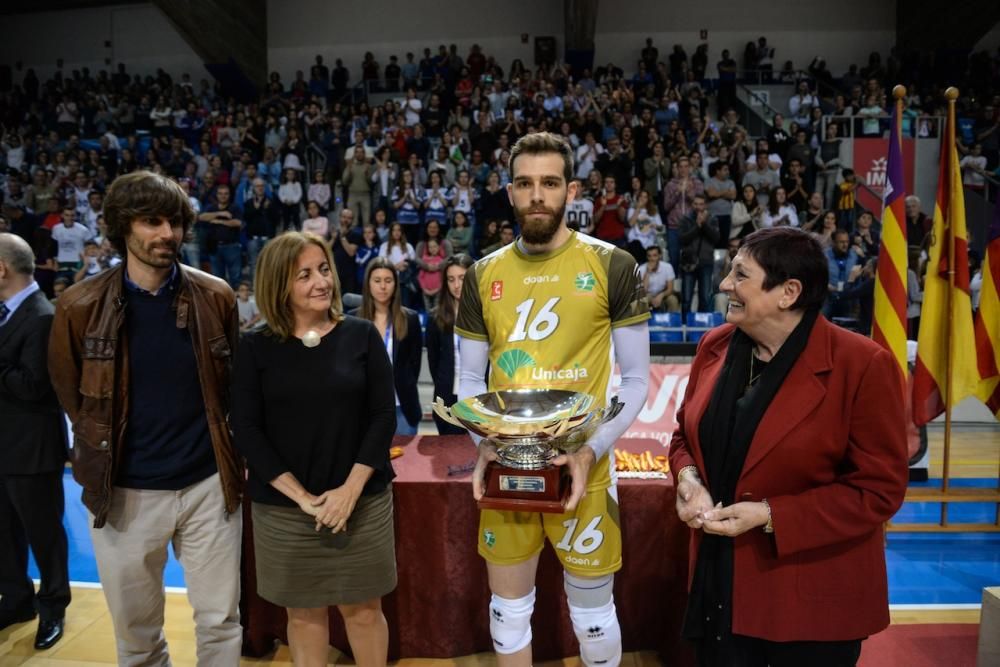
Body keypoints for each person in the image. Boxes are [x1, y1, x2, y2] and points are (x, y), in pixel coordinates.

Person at [669, 226, 908, 666]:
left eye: (741, 275)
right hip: (717, 590)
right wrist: (688, 480)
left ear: (788, 292)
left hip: (807, 606)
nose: (725, 285)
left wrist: (771, 516)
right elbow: (683, 436)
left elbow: (879, 490)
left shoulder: (862, 365)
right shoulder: (714, 346)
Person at [455, 132, 651, 667]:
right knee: (508, 612)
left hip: (586, 467)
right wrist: (486, 443)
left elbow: (635, 380)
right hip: (508, 467)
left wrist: (593, 449)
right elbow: (468, 384)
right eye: (524, 183)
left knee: (592, 618)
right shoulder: (481, 274)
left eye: (549, 182)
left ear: (572, 189)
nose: (536, 195)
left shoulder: (614, 265)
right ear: (509, 191)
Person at [47, 171, 243, 665]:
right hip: (124, 494)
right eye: (151, 221)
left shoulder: (215, 295)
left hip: (208, 488)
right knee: (137, 637)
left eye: (174, 221)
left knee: (221, 624)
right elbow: (75, 399)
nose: (167, 233)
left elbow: (232, 389)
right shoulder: (78, 305)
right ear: (121, 228)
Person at [230, 232, 397, 667]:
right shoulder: (255, 347)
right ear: (277, 285)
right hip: (285, 511)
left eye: (323, 269)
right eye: (304, 275)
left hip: (361, 502)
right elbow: (246, 430)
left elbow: (383, 418)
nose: (321, 281)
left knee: (363, 612)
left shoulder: (361, 335)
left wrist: (348, 491)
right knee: (303, 616)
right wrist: (303, 498)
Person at [0, 233, 70, 649]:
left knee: (43, 532)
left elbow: (34, 387)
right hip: (5, 445)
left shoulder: (42, 315)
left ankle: (54, 606)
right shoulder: (8, 312)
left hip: (32, 449)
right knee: (3, 532)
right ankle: (16, 599)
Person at [356, 257, 422, 436]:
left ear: (395, 284)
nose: (383, 287)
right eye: (377, 281)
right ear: (368, 284)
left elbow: (414, 364)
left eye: (388, 280)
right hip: (366, 407)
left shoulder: (410, 319)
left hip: (402, 405)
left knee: (406, 463)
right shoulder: (354, 320)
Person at [426, 253, 475, 435]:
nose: (456, 285)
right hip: (448, 397)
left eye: (462, 278)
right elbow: (433, 360)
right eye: (451, 279)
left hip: (480, 398)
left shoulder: (488, 313)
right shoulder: (436, 317)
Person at [679, 194, 720, 314]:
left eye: (701, 204)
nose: (698, 207)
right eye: (696, 204)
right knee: (686, 299)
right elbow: (682, 239)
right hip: (688, 263)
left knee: (705, 299)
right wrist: (697, 226)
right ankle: (684, 329)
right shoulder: (685, 219)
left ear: (705, 205)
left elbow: (716, 238)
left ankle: (703, 329)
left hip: (706, 262)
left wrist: (705, 224)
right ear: (692, 205)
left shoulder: (712, 219)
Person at [640, 244, 680, 312]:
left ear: (660, 256)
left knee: (673, 300)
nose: (652, 259)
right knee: (642, 300)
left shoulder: (667, 267)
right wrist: (648, 272)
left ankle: (673, 322)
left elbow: (670, 289)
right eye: (649, 256)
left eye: (655, 255)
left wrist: (661, 296)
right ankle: (642, 322)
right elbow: (643, 291)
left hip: (664, 293)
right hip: (648, 294)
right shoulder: (641, 269)